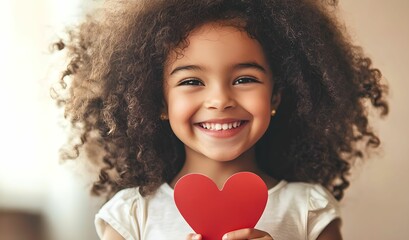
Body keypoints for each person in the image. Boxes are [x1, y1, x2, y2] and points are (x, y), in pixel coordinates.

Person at [53, 0, 388, 239]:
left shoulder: (309, 210)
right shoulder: (131, 216)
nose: (220, 100)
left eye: (244, 79)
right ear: (158, 102)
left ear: (276, 97)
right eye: (191, 81)